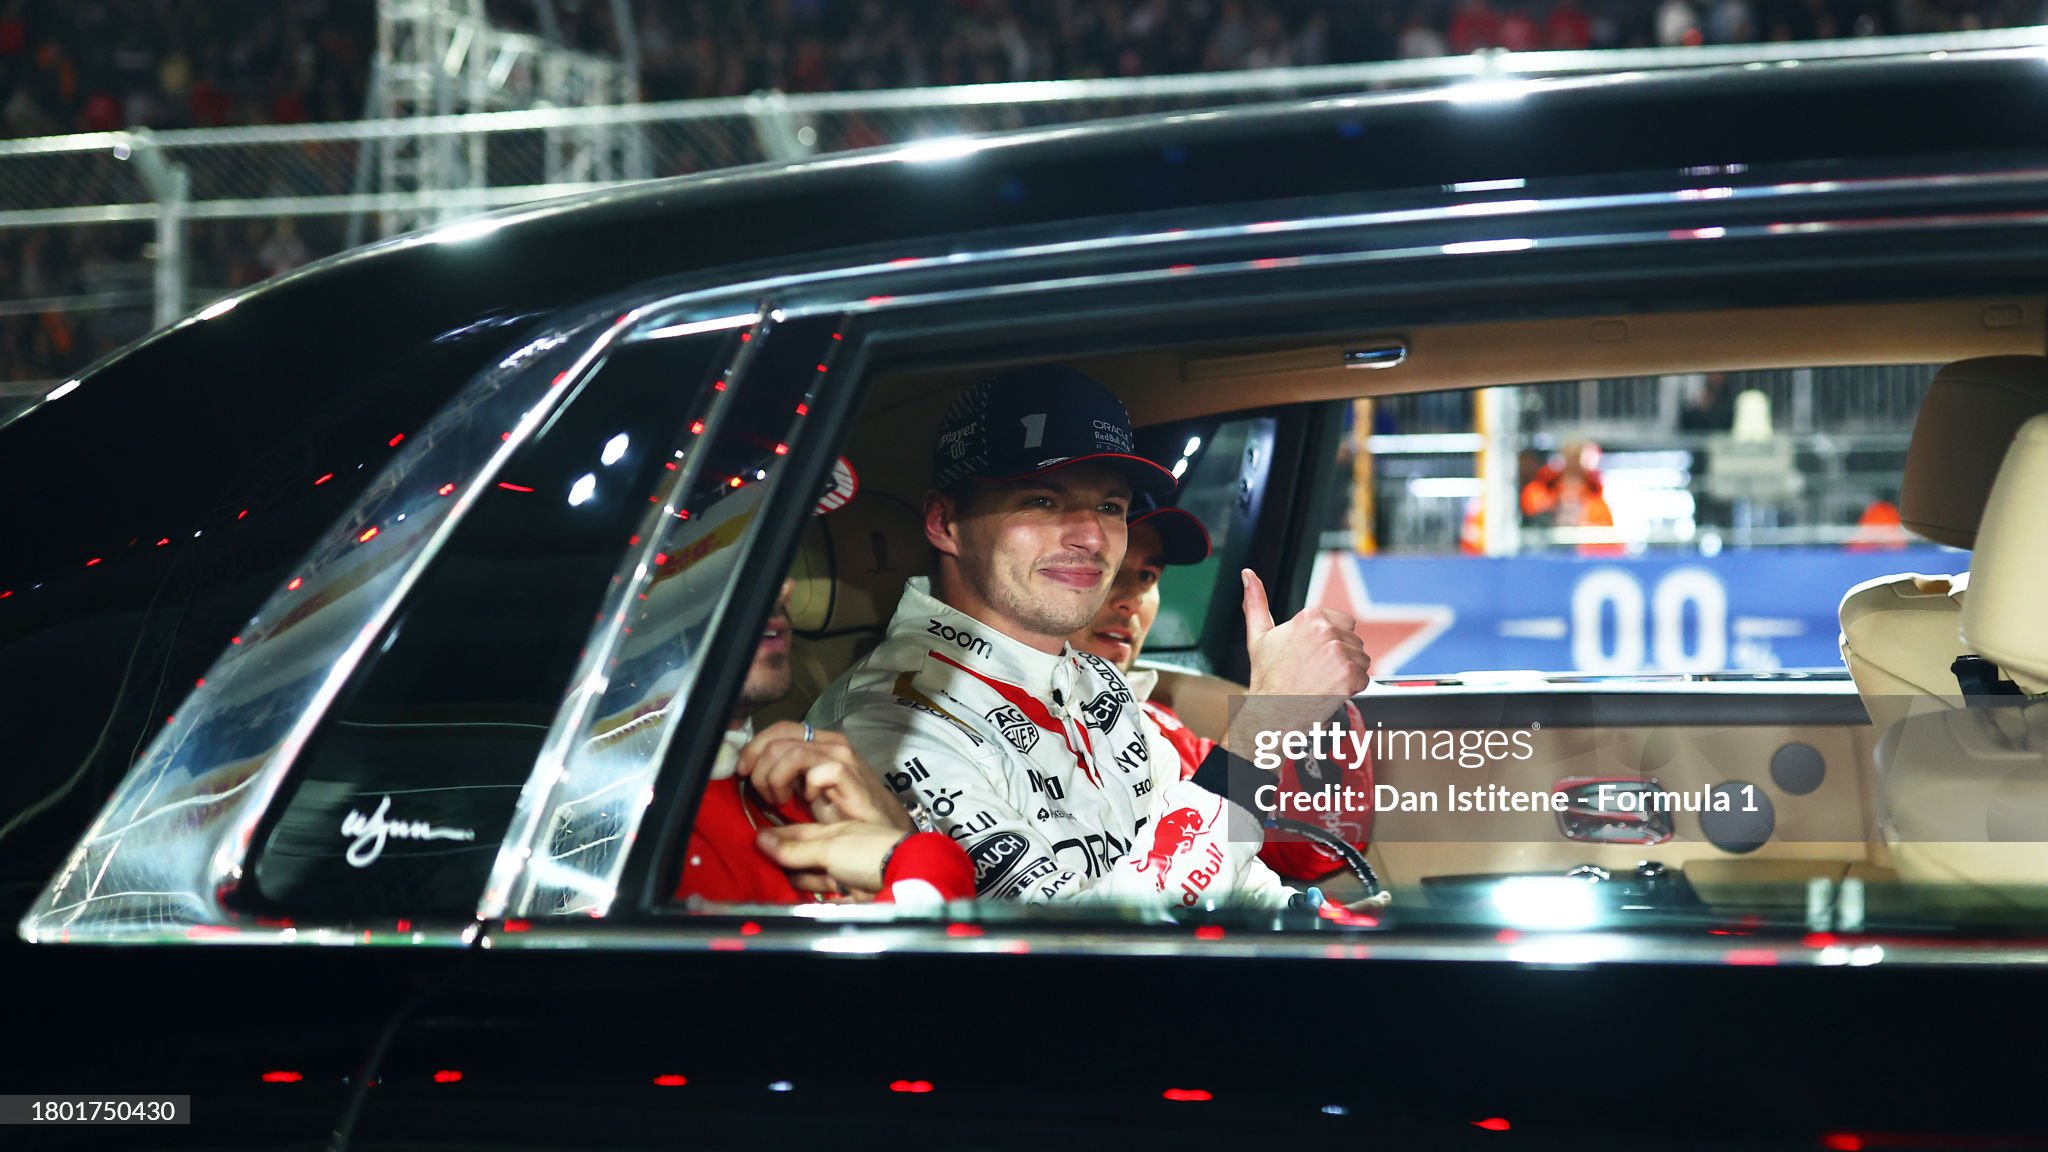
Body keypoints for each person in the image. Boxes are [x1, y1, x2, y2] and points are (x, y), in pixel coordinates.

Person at [809, 365, 1374, 907]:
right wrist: (1267, 722)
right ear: (945, 524)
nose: (1090, 536)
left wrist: (1323, 923)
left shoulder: (1096, 681)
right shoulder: (887, 723)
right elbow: (1094, 955)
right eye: (1042, 500)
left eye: (1109, 506)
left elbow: (1229, 871)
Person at [1067, 496, 1373, 882]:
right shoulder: (1010, 730)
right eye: (1105, 571)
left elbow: (1312, 849)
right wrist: (1275, 709)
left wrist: (1315, 705)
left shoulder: (1160, 728)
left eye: (1147, 576)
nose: (1131, 600)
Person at [672, 584, 976, 907]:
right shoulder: (643, 834)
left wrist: (900, 828)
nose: (784, 587)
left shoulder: (803, 783)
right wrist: (922, 860)